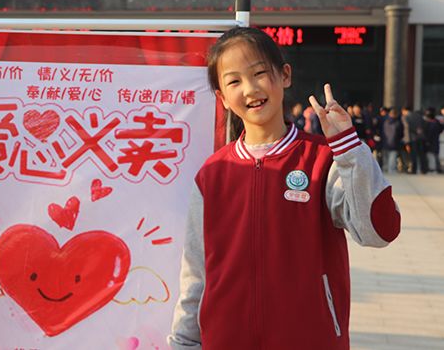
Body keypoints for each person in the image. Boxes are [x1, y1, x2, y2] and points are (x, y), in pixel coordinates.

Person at [169, 27, 400, 350]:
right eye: (234, 81)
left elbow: (378, 231)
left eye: (259, 73)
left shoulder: (323, 160)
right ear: (222, 98)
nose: (250, 89)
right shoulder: (213, 174)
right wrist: (183, 342)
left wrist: (349, 149)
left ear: (285, 75)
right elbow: (196, 273)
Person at [422, 108, 443, 174]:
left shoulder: (429, 123)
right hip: (436, 140)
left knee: (430, 155)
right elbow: (441, 129)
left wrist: (427, 141)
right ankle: (438, 168)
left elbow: (428, 133)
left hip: (430, 142)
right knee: (435, 155)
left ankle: (432, 169)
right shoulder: (437, 122)